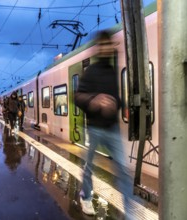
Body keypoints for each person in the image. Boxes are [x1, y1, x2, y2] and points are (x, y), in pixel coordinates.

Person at [75, 30, 134, 218]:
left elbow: (115, 97)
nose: (108, 48)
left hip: (112, 127)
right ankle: (85, 197)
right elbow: (77, 97)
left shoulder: (112, 70)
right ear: (99, 48)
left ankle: (130, 210)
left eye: (110, 44)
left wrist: (117, 103)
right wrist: (95, 99)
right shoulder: (90, 72)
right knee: (89, 166)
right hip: (94, 127)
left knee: (123, 169)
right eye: (104, 45)